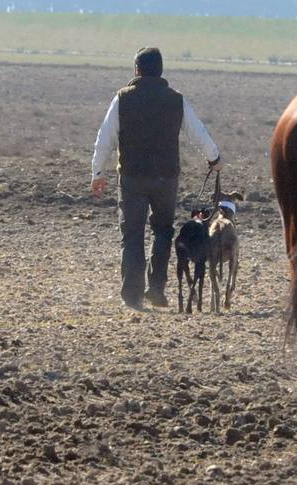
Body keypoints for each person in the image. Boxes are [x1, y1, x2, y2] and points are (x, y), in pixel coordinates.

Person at [89, 48, 222, 310]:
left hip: (131, 178)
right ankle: (156, 288)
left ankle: (132, 295)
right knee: (163, 231)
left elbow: (105, 138)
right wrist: (214, 158)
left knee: (132, 235)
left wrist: (98, 173)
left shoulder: (122, 99)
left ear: (136, 69)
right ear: (160, 70)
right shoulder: (176, 99)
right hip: (165, 178)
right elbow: (197, 131)